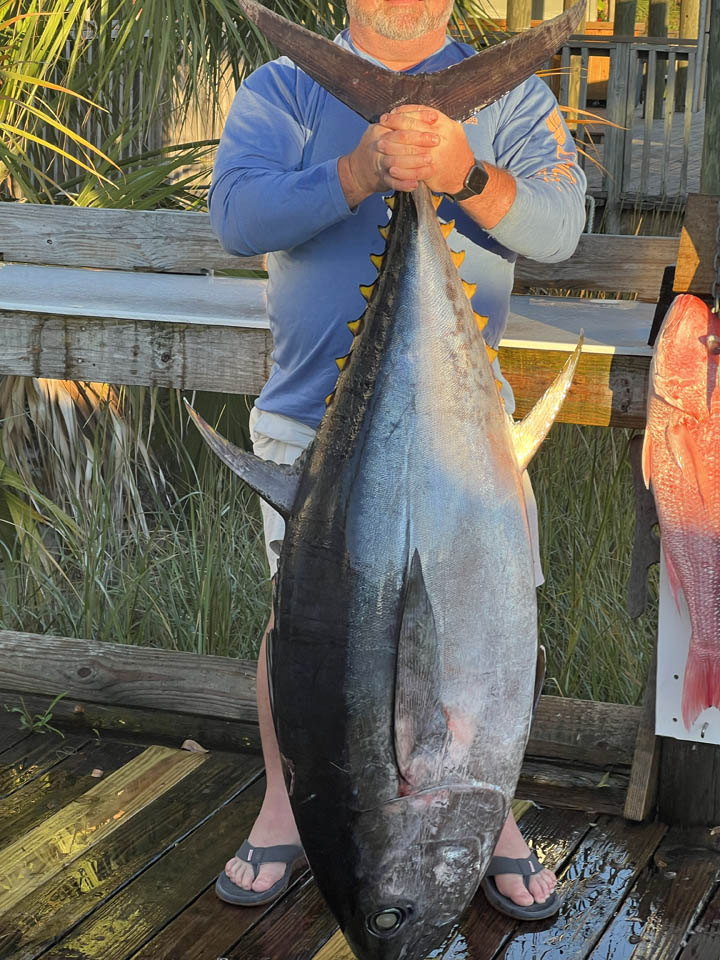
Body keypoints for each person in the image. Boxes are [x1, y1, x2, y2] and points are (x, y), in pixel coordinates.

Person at [208, 0, 586, 920]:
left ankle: (490, 812)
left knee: (493, 619)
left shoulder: (514, 98)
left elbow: (559, 227)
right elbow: (237, 216)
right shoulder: (285, 88)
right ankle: (283, 805)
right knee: (299, 630)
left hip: (469, 437)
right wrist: (358, 169)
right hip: (312, 426)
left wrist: (462, 172)